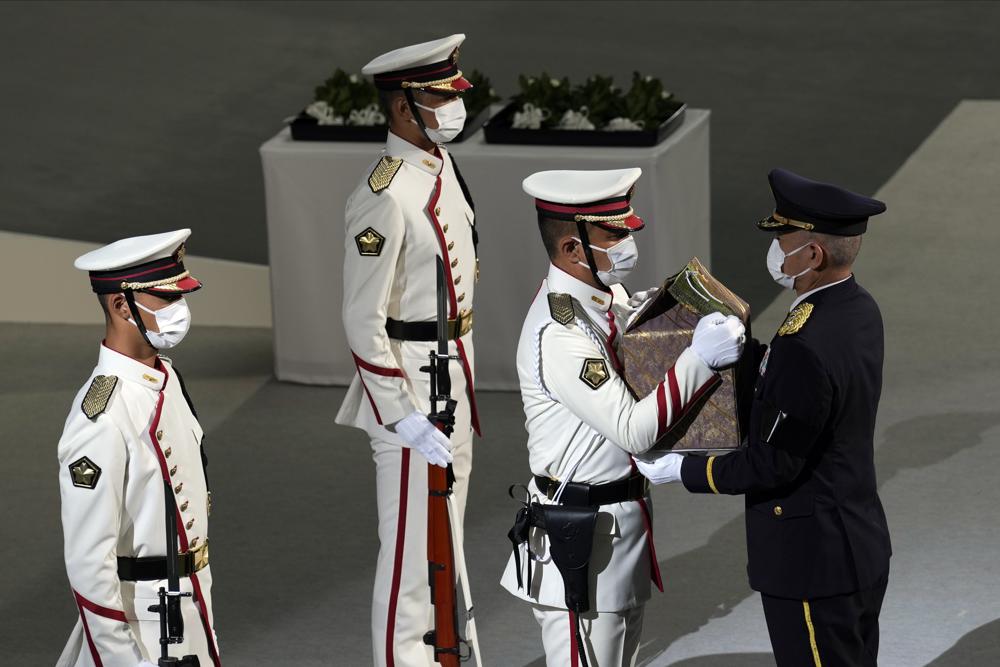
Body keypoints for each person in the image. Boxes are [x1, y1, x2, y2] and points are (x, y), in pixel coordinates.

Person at [638, 168, 892, 667]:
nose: (776, 249)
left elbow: (773, 463)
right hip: (853, 543)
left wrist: (683, 469)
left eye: (784, 239)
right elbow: (807, 398)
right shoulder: (856, 309)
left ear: (813, 254)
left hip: (811, 560)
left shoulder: (805, 340)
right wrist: (748, 356)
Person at [501, 168, 745, 666]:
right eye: (613, 234)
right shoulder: (562, 332)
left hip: (616, 527)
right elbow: (633, 431)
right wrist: (698, 358)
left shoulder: (601, 299)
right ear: (572, 250)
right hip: (581, 542)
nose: (628, 242)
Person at [334, 34, 481, 667]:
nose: (454, 107)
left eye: (453, 93)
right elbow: (360, 318)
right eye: (438, 97)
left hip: (452, 378)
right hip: (412, 390)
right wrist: (399, 412)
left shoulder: (438, 165)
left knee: (444, 543)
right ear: (402, 108)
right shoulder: (384, 193)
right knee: (408, 563)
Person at [56, 229, 220, 667]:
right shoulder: (103, 415)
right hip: (143, 624)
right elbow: (89, 563)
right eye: (166, 300)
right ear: (120, 305)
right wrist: (123, 660)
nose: (179, 311)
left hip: (190, 600)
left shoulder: (166, 377)